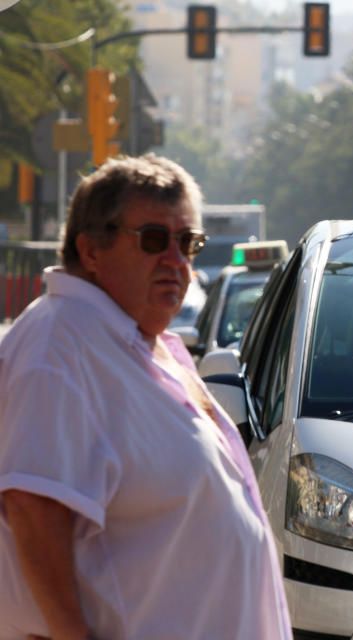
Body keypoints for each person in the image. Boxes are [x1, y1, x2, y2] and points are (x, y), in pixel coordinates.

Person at [0, 155, 291, 640]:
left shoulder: (133, 342)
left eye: (188, 243)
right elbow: (33, 507)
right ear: (91, 250)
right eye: (154, 240)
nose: (177, 262)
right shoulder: (59, 345)